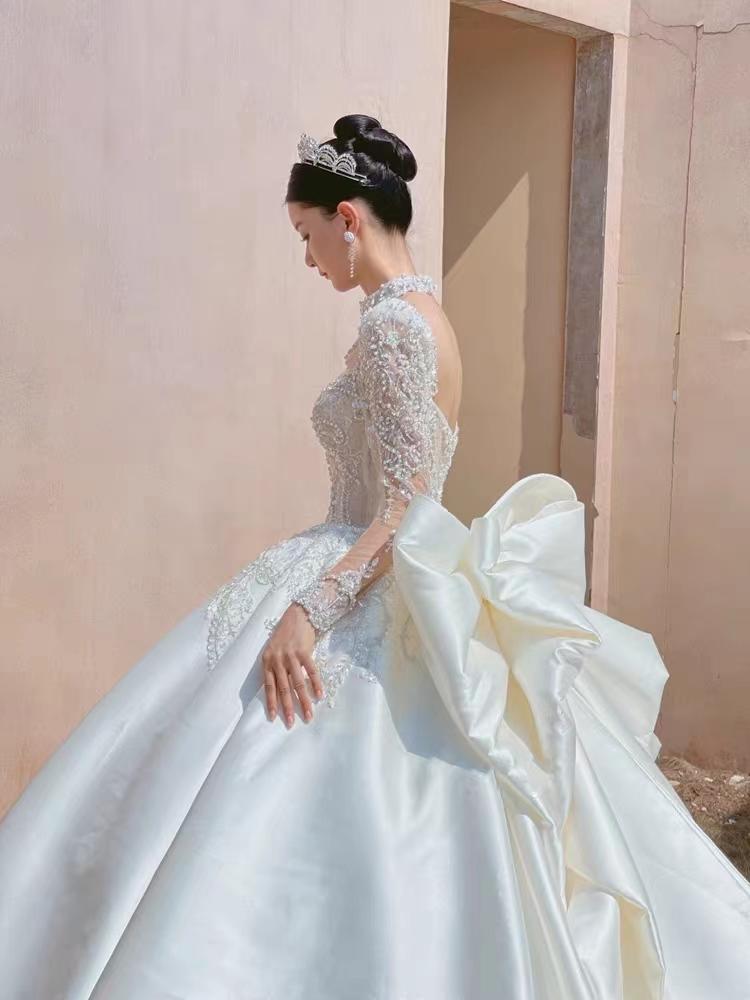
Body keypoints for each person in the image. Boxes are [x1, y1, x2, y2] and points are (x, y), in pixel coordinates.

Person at [0, 113, 749, 1000]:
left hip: (362, 574)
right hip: (376, 565)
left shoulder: (396, 326)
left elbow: (406, 508)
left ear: (348, 219)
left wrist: (309, 609)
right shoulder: (422, 317)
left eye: (307, 233)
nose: (307, 256)